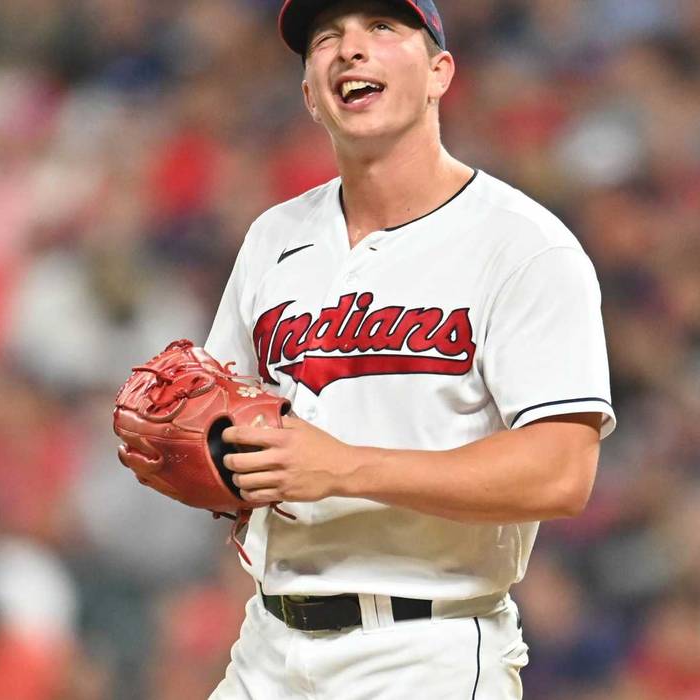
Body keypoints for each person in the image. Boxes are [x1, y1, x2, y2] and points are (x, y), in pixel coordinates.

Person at [202, 1, 616, 697]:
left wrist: (343, 468)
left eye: (381, 29)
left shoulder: (521, 245)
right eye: (327, 38)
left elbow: (560, 471)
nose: (350, 49)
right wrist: (198, 454)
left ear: (438, 73)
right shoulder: (273, 238)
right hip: (267, 646)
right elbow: (226, 418)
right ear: (309, 94)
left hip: (426, 648)